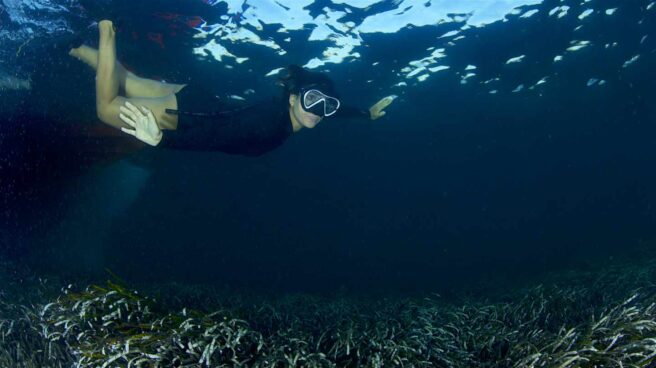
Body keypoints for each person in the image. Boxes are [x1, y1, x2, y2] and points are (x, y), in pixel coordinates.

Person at [70, 20, 395, 157]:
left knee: (131, 81)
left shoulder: (292, 110)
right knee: (108, 108)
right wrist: (160, 139)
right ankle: (106, 30)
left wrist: (365, 113)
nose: (319, 112)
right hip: (193, 116)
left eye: (327, 107)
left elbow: (326, 110)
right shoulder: (272, 127)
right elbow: (216, 138)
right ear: (295, 97)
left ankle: (71, 47)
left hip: (202, 100)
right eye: (313, 101)